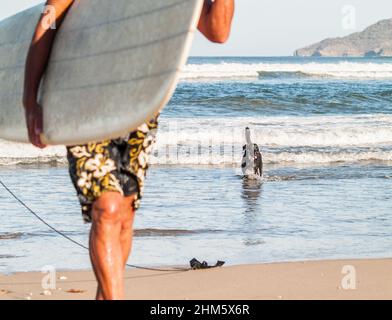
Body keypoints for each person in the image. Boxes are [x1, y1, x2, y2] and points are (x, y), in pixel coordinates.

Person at [23, 0, 235, 300]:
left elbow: (218, 31)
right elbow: (49, 20)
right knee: (107, 209)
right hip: (83, 106)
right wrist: (30, 97)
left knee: (123, 214)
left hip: (137, 109)